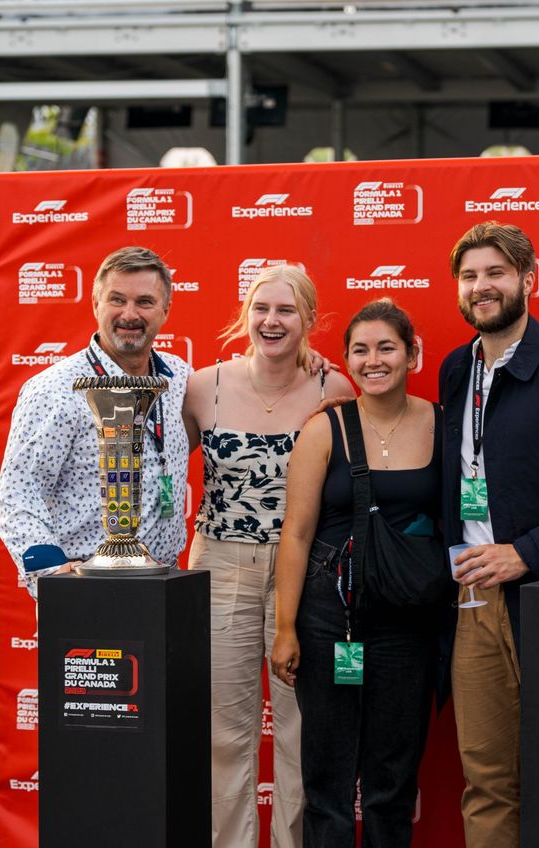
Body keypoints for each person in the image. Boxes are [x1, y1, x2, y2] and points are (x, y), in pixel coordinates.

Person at [182, 264, 354, 848]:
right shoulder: (205, 386)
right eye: (261, 309)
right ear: (245, 316)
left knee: (300, 731)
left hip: (302, 573)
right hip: (219, 565)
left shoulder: (335, 389)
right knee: (225, 733)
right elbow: (161, 469)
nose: (271, 321)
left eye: (286, 310)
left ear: (308, 319)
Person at [270, 298, 442, 847]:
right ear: (346, 360)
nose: (374, 360)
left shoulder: (442, 423)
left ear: (412, 353)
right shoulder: (325, 430)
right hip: (330, 623)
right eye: (360, 350)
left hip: (409, 625)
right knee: (328, 780)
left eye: (387, 347)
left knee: (393, 780)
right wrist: (286, 627)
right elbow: (295, 534)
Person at [439, 221, 539, 848]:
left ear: (530, 279)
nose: (482, 287)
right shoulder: (453, 369)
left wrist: (526, 553)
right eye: (470, 276)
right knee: (487, 780)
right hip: (472, 604)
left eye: (496, 273)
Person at [0, 246, 190, 599]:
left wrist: (303, 363)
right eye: (117, 300)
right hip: (85, 583)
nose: (129, 314)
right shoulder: (54, 390)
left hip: (163, 582)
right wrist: (53, 575)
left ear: (165, 310)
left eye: (144, 302)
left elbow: (245, 384)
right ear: (96, 304)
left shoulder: (179, 377)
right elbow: (18, 492)